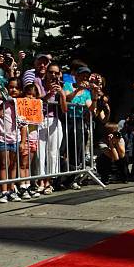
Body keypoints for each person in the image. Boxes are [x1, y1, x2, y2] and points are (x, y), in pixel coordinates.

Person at [37, 62, 66, 195]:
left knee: (53, 152)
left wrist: (62, 94)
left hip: (54, 120)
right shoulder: (38, 82)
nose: (53, 75)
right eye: (51, 72)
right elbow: (37, 99)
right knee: (39, 153)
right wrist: (49, 93)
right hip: (39, 120)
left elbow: (64, 109)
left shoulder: (61, 86)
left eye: (56, 72)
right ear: (46, 72)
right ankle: (40, 181)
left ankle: (49, 182)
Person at [63, 66, 93, 190]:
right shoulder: (68, 85)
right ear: (76, 76)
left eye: (87, 76)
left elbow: (90, 108)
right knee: (64, 149)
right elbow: (66, 98)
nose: (84, 78)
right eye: (82, 75)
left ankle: (72, 178)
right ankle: (61, 177)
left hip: (79, 121)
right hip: (66, 119)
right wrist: (77, 89)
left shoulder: (87, 92)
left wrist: (95, 97)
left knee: (77, 150)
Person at [0, 77, 22, 203]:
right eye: (11, 87)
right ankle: (3, 191)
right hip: (2, 137)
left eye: (16, 87)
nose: (13, 90)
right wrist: (5, 102)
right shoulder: (2, 102)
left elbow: (23, 122)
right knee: (3, 164)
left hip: (15, 138)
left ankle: (12, 189)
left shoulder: (20, 104)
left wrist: (22, 141)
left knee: (13, 165)